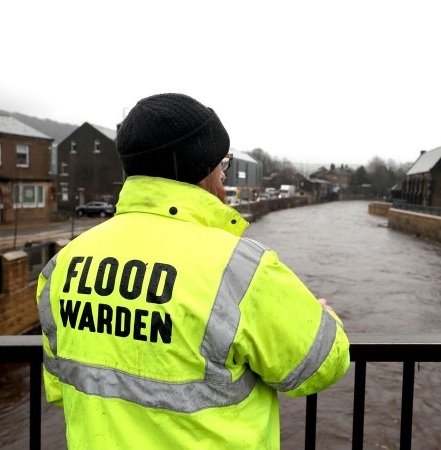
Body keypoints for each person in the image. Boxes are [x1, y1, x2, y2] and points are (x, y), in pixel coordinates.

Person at [37, 93, 350, 449]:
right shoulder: (240, 268)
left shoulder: (63, 265)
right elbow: (318, 366)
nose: (224, 178)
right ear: (205, 170)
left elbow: (61, 384)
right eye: (223, 165)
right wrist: (325, 318)